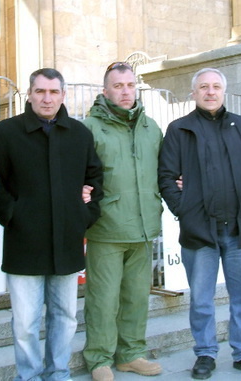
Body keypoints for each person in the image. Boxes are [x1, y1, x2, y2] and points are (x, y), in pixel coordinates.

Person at [0, 68, 103, 381]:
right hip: (24, 241)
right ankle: (29, 375)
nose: (47, 98)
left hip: (66, 240)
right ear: (29, 94)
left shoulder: (79, 134)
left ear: (63, 95)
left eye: (53, 92)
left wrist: (84, 215)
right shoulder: (4, 134)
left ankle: (58, 373)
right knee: (25, 321)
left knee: (65, 316)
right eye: (40, 91)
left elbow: (94, 178)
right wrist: (12, 214)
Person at [158, 68, 241, 380]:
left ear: (224, 91)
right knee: (202, 299)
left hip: (238, 230)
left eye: (216, 87)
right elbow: (166, 177)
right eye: (204, 87)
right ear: (193, 93)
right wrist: (184, 209)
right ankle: (205, 353)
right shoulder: (179, 129)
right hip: (200, 231)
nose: (210, 92)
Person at [82, 62, 163, 381]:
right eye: (118, 86)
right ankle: (99, 358)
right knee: (102, 299)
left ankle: (131, 354)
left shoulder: (151, 127)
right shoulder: (90, 127)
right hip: (106, 228)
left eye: (130, 85)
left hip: (143, 227)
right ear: (105, 91)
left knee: (136, 297)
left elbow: (164, 170)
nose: (126, 91)